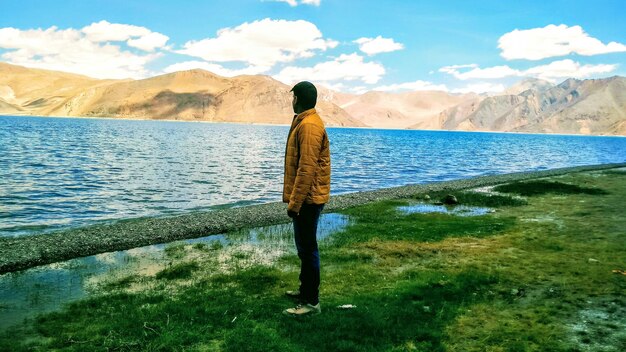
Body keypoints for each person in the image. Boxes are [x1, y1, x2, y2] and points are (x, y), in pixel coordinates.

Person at [282, 81, 331, 316]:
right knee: (304, 248)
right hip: (307, 198)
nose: (291, 102)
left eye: (293, 98)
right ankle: (305, 291)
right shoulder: (305, 121)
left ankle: (311, 302)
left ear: (298, 99)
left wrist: (295, 203)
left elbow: (306, 169)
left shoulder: (309, 126)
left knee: (308, 248)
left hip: (308, 200)